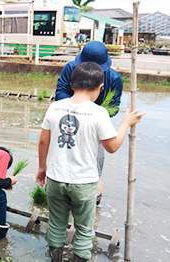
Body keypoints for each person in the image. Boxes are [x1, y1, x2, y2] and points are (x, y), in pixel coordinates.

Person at [36, 62, 145, 262]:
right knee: (85, 229)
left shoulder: (55, 107)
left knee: (56, 225)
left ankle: (55, 259)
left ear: (72, 84)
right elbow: (112, 146)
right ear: (99, 87)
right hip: (84, 183)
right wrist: (125, 123)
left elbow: (43, 140)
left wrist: (42, 168)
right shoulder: (98, 113)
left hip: (56, 178)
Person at [55, 41, 124, 205]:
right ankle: (62, 193)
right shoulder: (70, 69)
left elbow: (113, 108)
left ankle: (94, 200)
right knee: (63, 156)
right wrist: (80, 107)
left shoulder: (114, 79)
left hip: (96, 126)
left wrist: (91, 114)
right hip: (68, 120)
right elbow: (60, 92)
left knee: (96, 161)